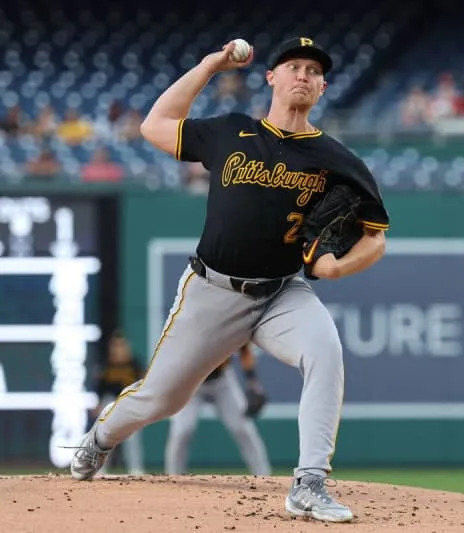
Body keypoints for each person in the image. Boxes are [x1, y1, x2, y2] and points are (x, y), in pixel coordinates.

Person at [68, 36, 390, 525]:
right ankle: (100, 438)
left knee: (325, 351)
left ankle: (309, 483)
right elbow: (155, 126)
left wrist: (337, 266)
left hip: (283, 291)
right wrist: (209, 66)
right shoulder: (230, 132)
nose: (302, 74)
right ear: (272, 78)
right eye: (293, 66)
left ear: (322, 87)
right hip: (213, 290)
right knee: (164, 398)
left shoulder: (336, 159)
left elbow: (376, 237)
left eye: (312, 70)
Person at [164, 343, 272, 476]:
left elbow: (244, 349)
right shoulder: (189, 324)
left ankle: (264, 477)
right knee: (182, 431)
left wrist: (253, 382)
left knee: (243, 429)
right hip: (190, 381)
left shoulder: (227, 323)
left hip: (222, 380)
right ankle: (174, 477)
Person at [92, 330, 146, 475]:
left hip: (129, 402)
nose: (119, 348)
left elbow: (143, 386)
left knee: (132, 436)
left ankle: (136, 470)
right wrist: (98, 405)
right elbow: (100, 389)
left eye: (121, 345)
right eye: (115, 345)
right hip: (111, 402)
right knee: (105, 434)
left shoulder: (135, 364)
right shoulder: (105, 365)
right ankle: (100, 469)